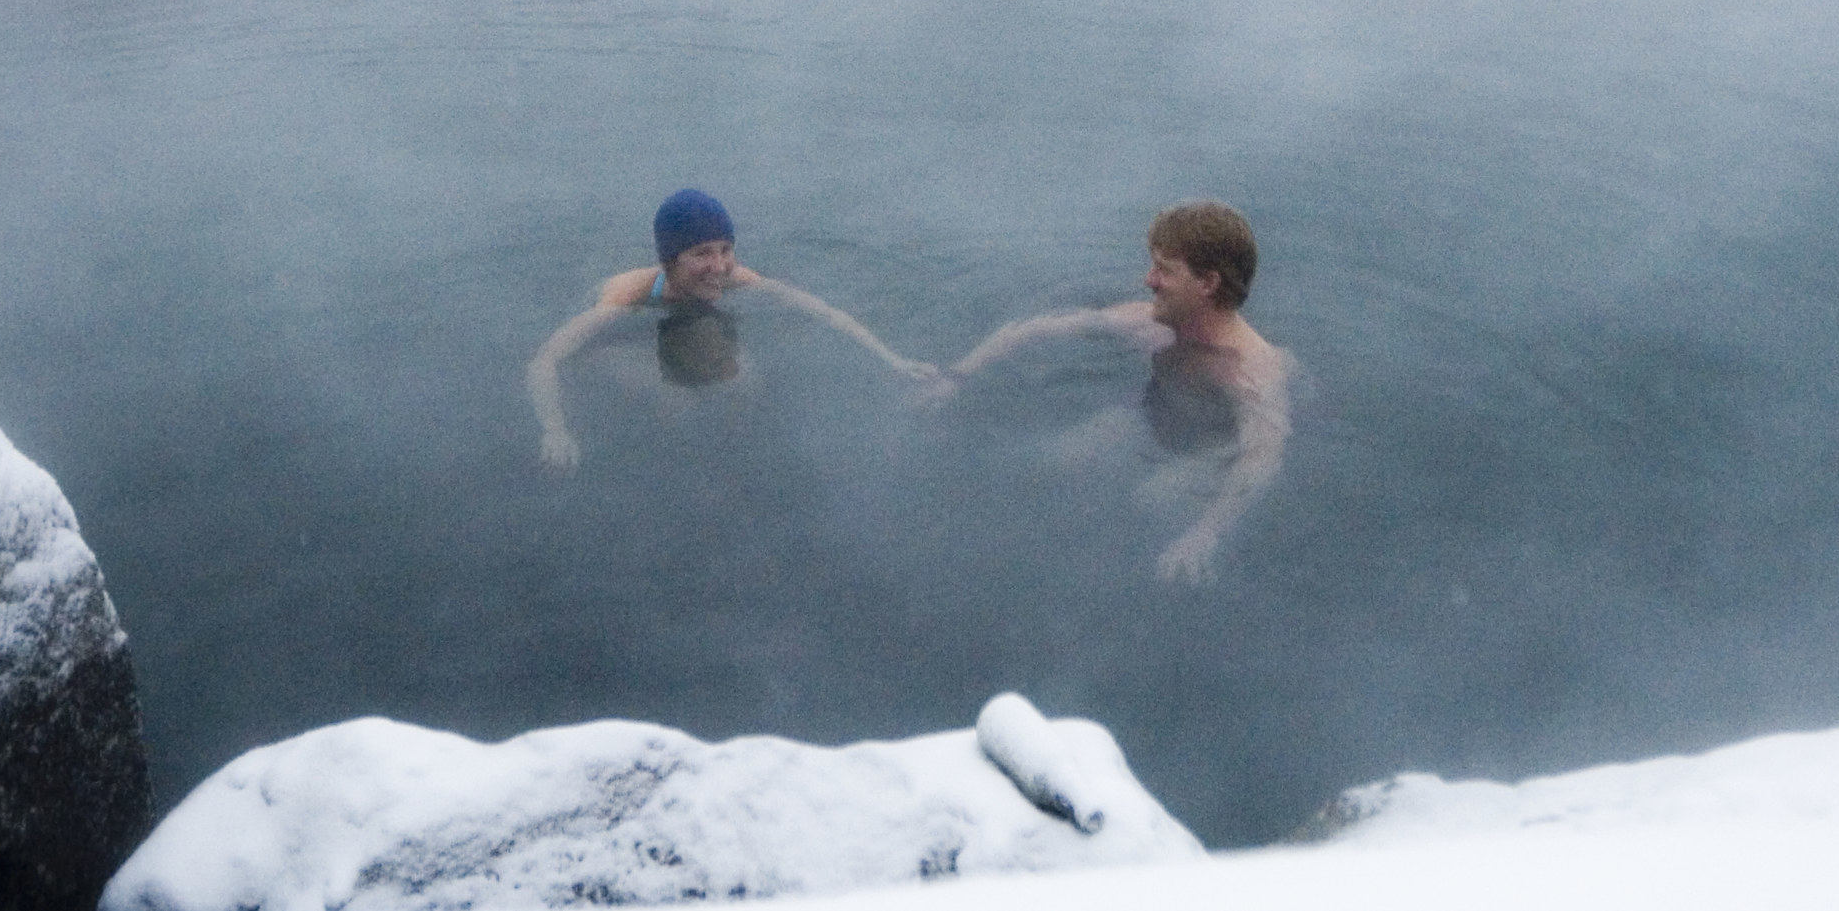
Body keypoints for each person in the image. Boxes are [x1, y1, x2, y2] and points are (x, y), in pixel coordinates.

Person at [932, 199, 1292, 583]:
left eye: (1164, 270)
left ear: (1208, 283)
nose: (1148, 280)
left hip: (1209, 451)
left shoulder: (1252, 370)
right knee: (1053, 461)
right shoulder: (1149, 324)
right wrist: (956, 375)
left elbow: (1262, 457)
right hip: (1149, 415)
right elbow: (1035, 329)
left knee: (1153, 498)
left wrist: (1203, 535)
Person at [529, 189, 936, 469]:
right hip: (615, 342)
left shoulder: (735, 278)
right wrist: (555, 431)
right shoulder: (624, 297)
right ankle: (678, 466)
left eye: (725, 249)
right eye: (701, 253)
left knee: (745, 383)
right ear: (671, 260)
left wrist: (894, 360)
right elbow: (545, 360)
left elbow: (824, 312)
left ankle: (736, 459)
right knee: (676, 401)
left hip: (687, 325)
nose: (719, 266)